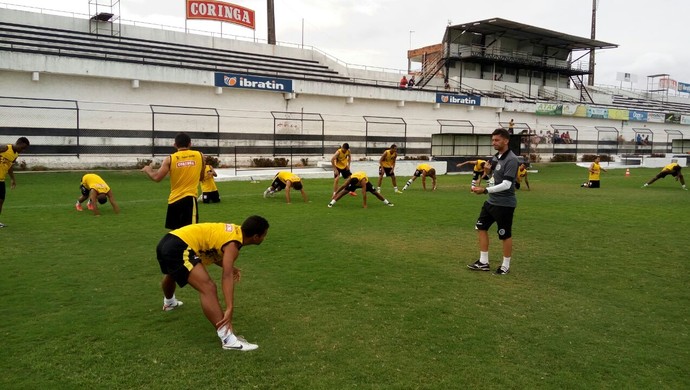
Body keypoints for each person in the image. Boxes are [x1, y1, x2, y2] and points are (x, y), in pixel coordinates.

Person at [155, 215, 269, 351]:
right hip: (178, 247)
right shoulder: (233, 245)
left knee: (173, 272)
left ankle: (169, 303)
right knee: (208, 287)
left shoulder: (234, 232)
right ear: (256, 237)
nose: (264, 238)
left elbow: (212, 251)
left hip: (167, 241)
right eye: (264, 235)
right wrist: (229, 307)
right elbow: (226, 276)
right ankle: (228, 339)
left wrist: (231, 267)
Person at [467, 128, 518, 275]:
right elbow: (494, 182)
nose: (493, 142)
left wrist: (485, 190)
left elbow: (507, 185)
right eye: (493, 140)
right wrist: (488, 174)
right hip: (491, 202)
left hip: (505, 204)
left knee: (504, 235)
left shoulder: (512, 159)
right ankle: (483, 262)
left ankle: (505, 266)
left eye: (497, 140)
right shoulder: (496, 158)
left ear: (506, 141)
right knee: (480, 227)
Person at [142, 132, 205, 229]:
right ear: (190, 144)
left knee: (175, 234)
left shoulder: (170, 159)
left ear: (175, 145)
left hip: (174, 201)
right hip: (189, 199)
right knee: (190, 233)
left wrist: (148, 169)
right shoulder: (200, 156)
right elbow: (201, 177)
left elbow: (157, 177)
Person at [0, 137, 30, 228]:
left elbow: (10, 167)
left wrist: (13, 179)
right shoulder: (5, 148)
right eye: (22, 147)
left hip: (1, 180)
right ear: (18, 143)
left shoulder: (15, 155)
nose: (22, 150)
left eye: (24, 149)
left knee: (1, 201)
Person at [328, 171, 394, 208]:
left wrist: (364, 204)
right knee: (344, 192)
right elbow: (343, 186)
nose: (357, 186)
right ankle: (332, 203)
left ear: (359, 182)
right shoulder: (350, 179)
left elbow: (364, 192)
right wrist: (335, 194)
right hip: (355, 179)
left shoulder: (363, 181)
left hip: (365, 182)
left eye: (357, 184)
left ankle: (387, 202)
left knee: (375, 193)